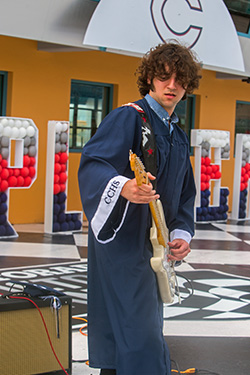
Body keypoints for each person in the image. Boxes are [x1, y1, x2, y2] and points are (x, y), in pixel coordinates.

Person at [78, 41, 201, 375]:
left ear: (187, 85)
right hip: (123, 242)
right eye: (164, 77)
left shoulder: (176, 133)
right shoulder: (129, 118)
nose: (172, 85)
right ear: (150, 79)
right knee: (139, 328)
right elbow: (94, 163)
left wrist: (179, 233)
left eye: (180, 79)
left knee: (136, 328)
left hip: (153, 244)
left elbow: (184, 191)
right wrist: (123, 186)